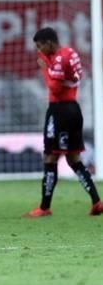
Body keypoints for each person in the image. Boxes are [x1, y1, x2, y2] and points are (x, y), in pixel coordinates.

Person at [24, 27, 103, 217]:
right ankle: (97, 201)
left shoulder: (59, 58)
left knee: (50, 157)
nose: (39, 50)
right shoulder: (70, 53)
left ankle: (44, 207)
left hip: (60, 112)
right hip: (73, 110)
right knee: (73, 159)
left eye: (40, 45)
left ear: (50, 42)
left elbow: (55, 87)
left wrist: (44, 68)